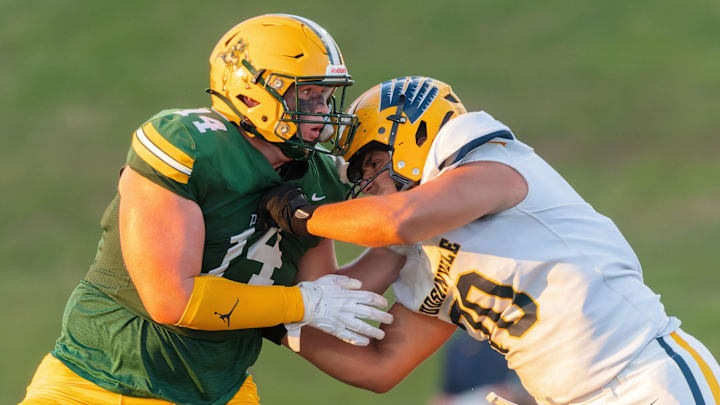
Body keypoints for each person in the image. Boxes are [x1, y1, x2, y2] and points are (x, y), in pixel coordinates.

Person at [259, 76, 720, 404]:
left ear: (414, 133)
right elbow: (378, 364)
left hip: (647, 380)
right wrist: (273, 320)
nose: (366, 184)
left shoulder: (491, 163)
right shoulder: (422, 246)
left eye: (371, 163)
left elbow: (398, 219)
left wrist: (307, 214)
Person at [20, 14, 394, 405]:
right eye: (307, 96)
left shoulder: (318, 178)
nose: (322, 111)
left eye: (326, 96)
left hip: (218, 392)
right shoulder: (188, 144)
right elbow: (171, 300)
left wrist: (405, 247)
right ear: (252, 95)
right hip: (95, 382)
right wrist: (303, 302)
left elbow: (330, 298)